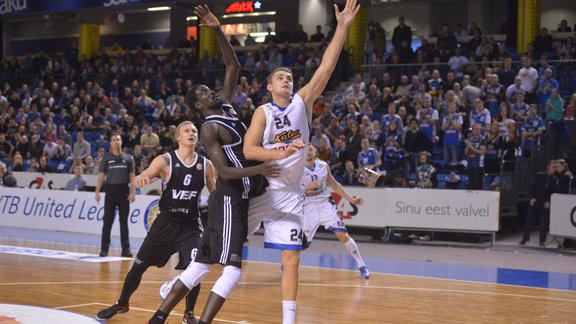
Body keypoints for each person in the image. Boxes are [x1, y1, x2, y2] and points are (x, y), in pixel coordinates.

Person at [148, 5, 278, 324]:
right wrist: (259, 170)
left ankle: (158, 317)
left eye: (211, 89)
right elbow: (224, 172)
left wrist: (218, 29)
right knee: (232, 270)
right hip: (230, 198)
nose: (212, 91)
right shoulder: (209, 128)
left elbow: (232, 65)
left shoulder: (227, 108)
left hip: (238, 199)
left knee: (199, 267)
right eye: (206, 92)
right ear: (198, 105)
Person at [243, 1, 359, 323]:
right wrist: (279, 152)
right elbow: (250, 151)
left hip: (292, 195)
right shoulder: (262, 113)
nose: (286, 79)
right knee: (226, 249)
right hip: (263, 190)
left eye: (289, 76)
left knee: (292, 259)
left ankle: (288, 320)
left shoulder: (302, 102)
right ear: (268, 87)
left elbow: (326, 67)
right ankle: (185, 280)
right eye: (280, 77)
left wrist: (343, 27)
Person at [97, 121, 216, 323]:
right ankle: (122, 303)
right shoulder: (165, 161)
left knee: (194, 268)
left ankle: (189, 314)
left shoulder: (206, 165)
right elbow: (146, 175)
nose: (192, 133)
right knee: (138, 266)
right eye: (187, 131)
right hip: (165, 223)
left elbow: (215, 194)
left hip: (190, 225)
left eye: (194, 131)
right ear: (178, 137)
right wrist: (142, 178)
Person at [301, 144, 369, 278]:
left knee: (343, 235)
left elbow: (335, 185)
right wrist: (306, 188)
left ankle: (362, 266)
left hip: (325, 205)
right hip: (308, 208)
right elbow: (291, 191)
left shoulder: (323, 166)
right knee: (302, 244)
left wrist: (351, 199)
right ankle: (288, 263)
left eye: (310, 149)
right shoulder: (297, 168)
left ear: (314, 152)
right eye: (305, 150)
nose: (308, 152)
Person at [95, 132, 136, 257]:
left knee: (124, 222)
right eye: (114, 139)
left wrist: (133, 192)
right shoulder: (106, 158)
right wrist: (97, 192)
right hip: (110, 190)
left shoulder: (129, 158)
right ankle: (104, 249)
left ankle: (126, 250)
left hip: (124, 191)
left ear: (121, 141)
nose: (116, 141)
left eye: (118, 139)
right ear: (110, 143)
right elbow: (101, 176)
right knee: (107, 221)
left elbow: (132, 177)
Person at [520, 160, 558, 246]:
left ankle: (542, 241)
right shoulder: (539, 175)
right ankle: (524, 239)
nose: (554, 169)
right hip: (536, 201)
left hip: (545, 203)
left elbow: (554, 193)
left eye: (555, 167)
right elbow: (532, 188)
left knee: (544, 223)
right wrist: (532, 198)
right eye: (553, 166)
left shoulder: (555, 180)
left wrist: (549, 202)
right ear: (548, 167)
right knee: (529, 221)